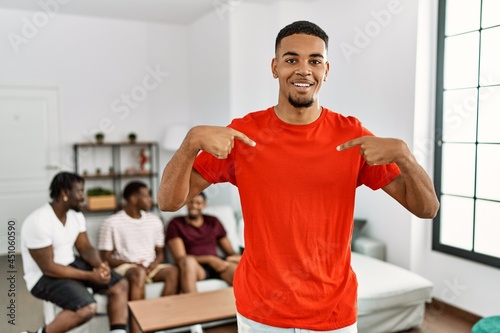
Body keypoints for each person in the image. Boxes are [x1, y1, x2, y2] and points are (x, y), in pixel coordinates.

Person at [157, 20, 439, 333]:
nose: (303, 70)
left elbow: (427, 209)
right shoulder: (244, 134)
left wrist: (405, 155)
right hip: (260, 312)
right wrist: (190, 142)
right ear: (275, 67)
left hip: (333, 312)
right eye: (291, 60)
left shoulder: (352, 136)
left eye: (314, 61)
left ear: (326, 70)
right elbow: (168, 202)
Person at [20, 172, 129, 333]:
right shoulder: (38, 221)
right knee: (87, 307)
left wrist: (101, 266)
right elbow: (49, 267)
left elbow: (85, 248)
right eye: (79, 192)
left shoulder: (75, 216)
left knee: (120, 285)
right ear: (64, 193)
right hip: (43, 277)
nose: (83, 197)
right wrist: (91, 276)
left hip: (70, 263)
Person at [98, 181, 179, 333]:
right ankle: (138, 330)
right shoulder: (111, 223)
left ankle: (160, 325)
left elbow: (160, 252)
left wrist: (153, 265)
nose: (150, 199)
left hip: (150, 266)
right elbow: (105, 257)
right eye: (146, 196)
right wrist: (133, 264)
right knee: (138, 273)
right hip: (126, 267)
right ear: (134, 199)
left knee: (173, 272)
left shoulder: (154, 221)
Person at [165, 191, 240, 293]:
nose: (194, 206)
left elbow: (230, 251)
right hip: (195, 268)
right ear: (186, 203)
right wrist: (209, 259)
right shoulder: (176, 224)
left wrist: (236, 258)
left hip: (217, 265)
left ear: (204, 205)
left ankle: (247, 306)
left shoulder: (213, 221)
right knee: (187, 262)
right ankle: (192, 305)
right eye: (191, 202)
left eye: (198, 203)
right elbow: (180, 258)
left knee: (238, 271)